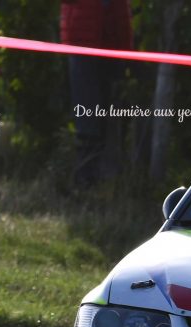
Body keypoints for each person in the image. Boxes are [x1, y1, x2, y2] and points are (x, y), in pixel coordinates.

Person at [61, 0, 133, 188]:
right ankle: (85, 179)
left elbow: (121, 9)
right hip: (83, 44)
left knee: (110, 118)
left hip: (113, 44)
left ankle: (105, 179)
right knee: (87, 117)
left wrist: (127, 49)